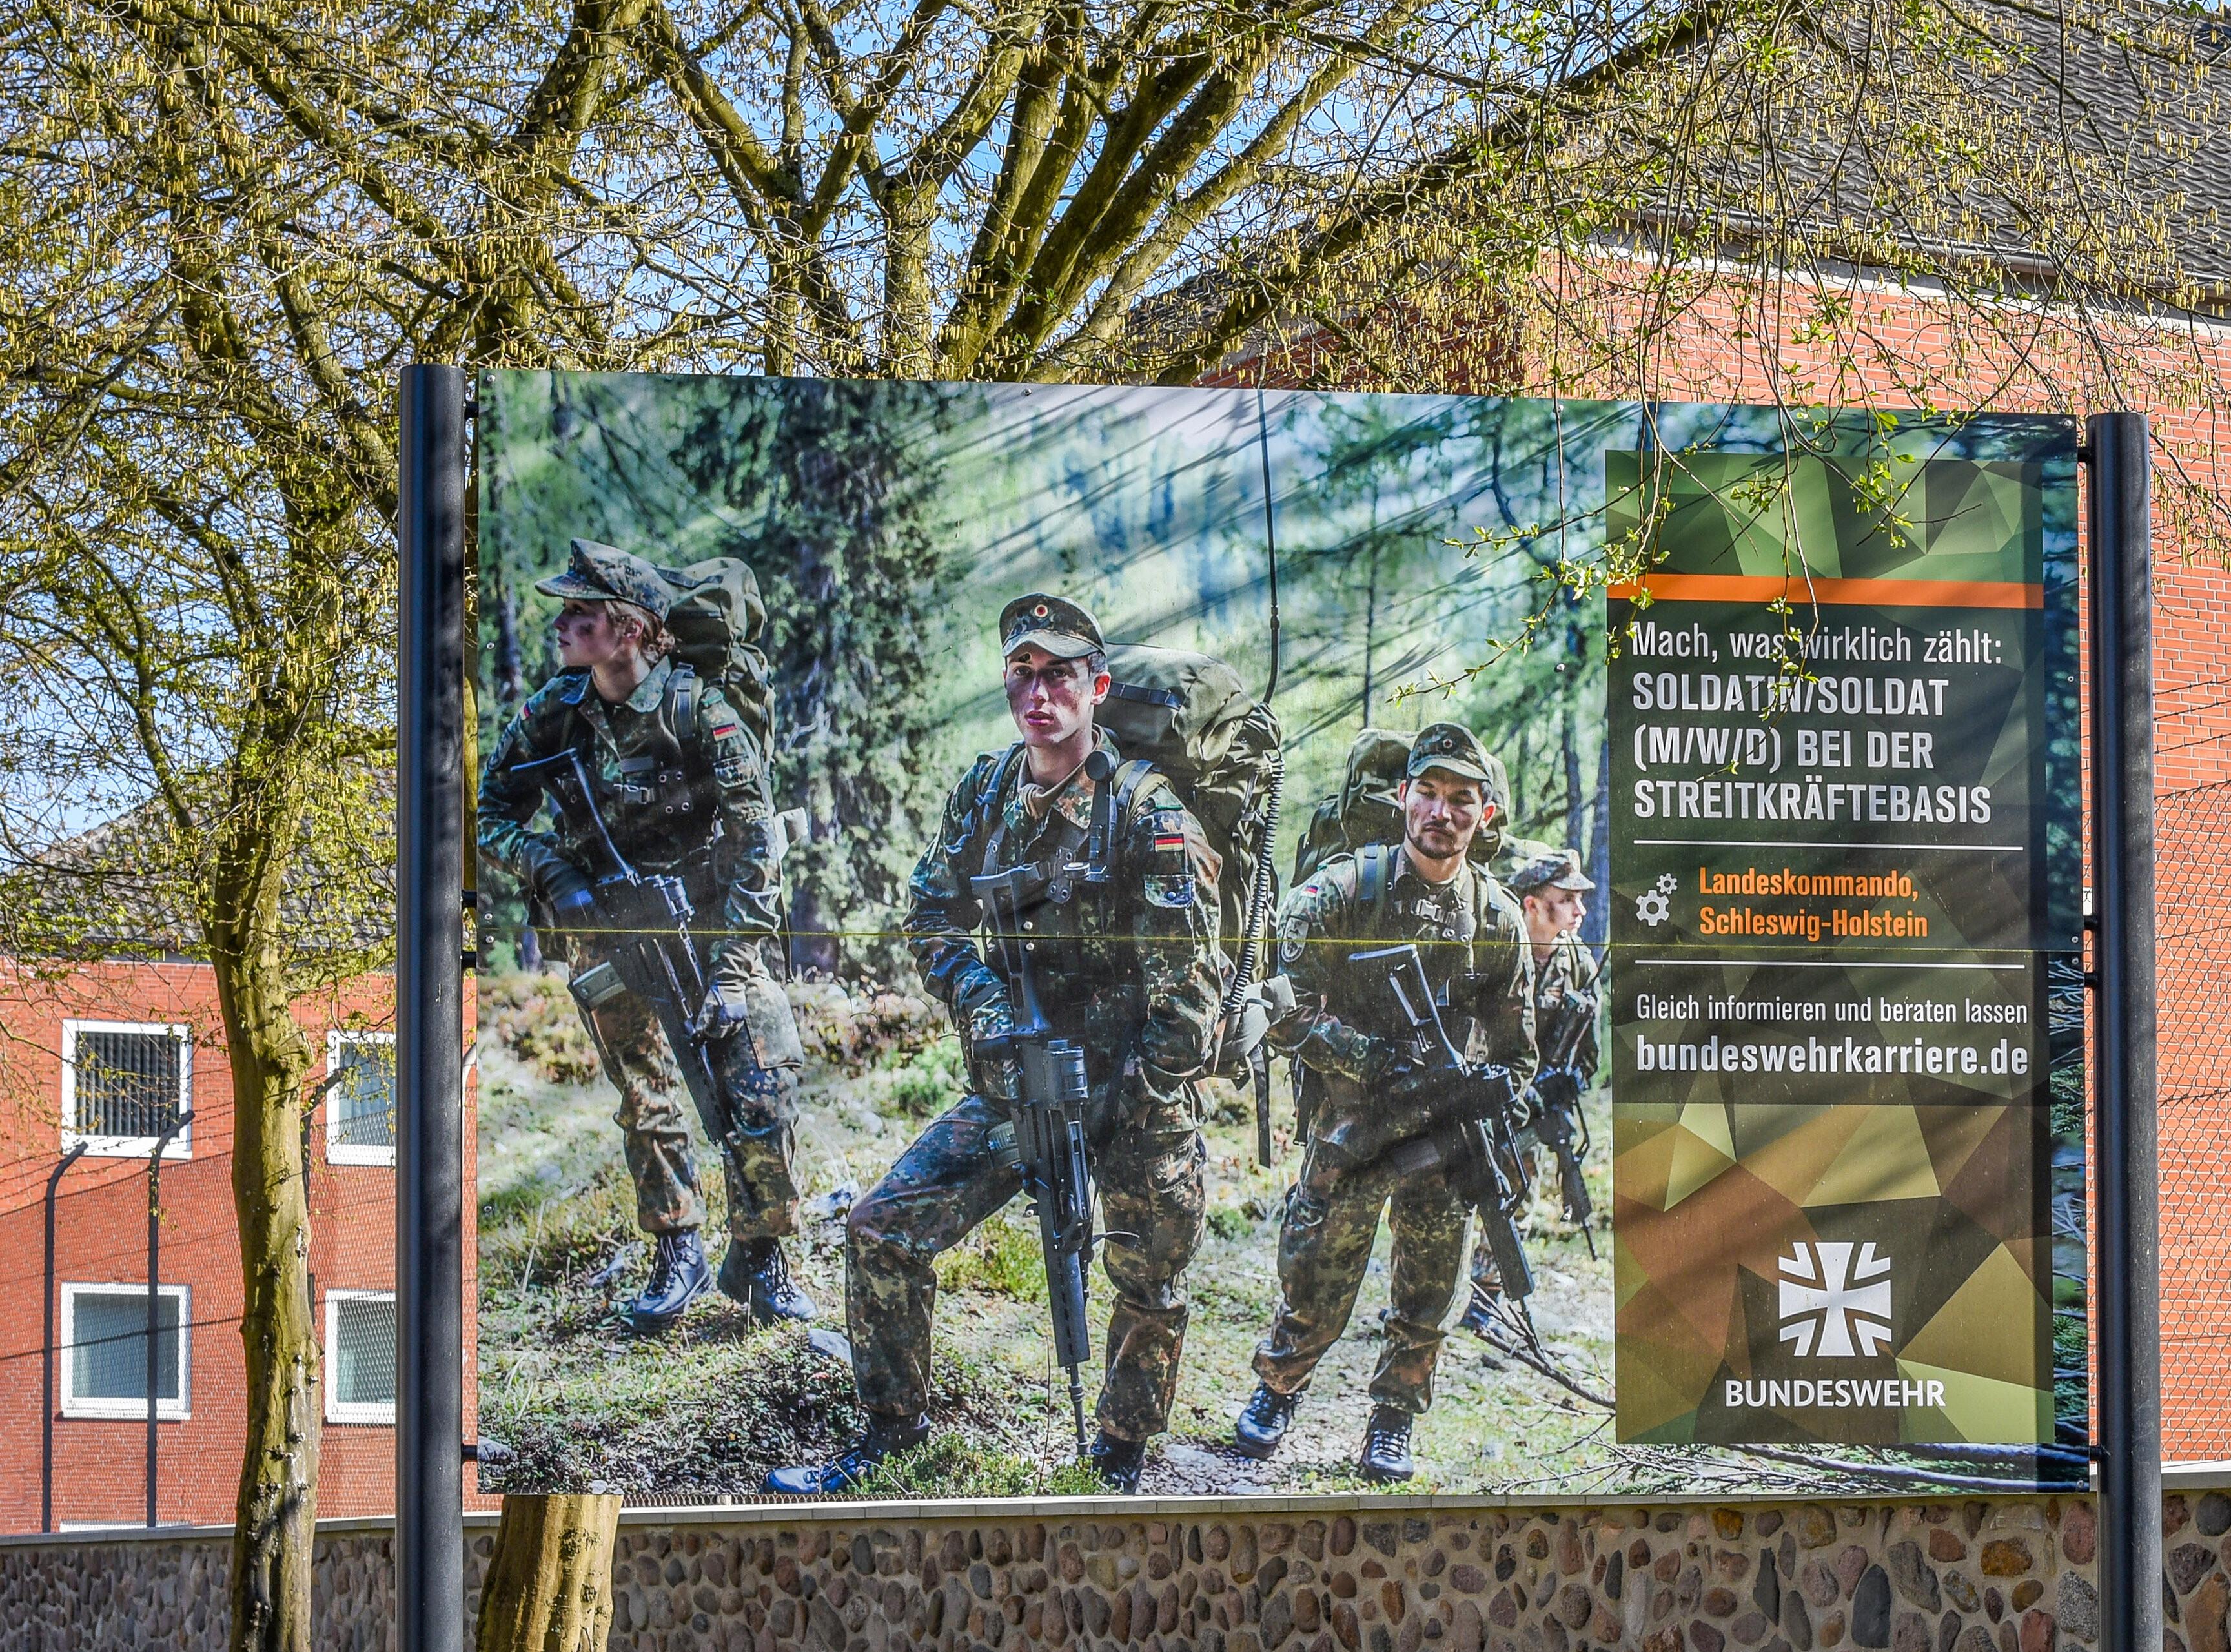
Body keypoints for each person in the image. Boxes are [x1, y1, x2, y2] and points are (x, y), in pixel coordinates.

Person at [769, 594, 1221, 1496]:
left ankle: (1122, 1457)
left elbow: (1192, 1000)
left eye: (1059, 674)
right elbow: (932, 916)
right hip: (1020, 1078)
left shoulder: (1148, 817)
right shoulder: (982, 794)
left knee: (1149, 1279)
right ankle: (892, 1433)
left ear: (1095, 688)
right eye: (1023, 673)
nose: (1039, 690)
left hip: (1137, 1094)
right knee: (882, 1229)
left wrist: (1126, 1097)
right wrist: (983, 1007)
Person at [476, 540, 810, 1334]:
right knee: (645, 1094)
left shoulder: (702, 711)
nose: (561, 624)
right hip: (605, 930)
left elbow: (758, 840)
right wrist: (546, 867)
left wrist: (733, 969)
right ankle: (677, 1250)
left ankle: (763, 1258)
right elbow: (489, 811)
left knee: (757, 1091)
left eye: (579, 614)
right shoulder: (554, 710)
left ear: (628, 629)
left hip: (712, 924)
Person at [1239, 722, 1533, 1483]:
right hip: (1354, 1130)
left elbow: (1518, 1054)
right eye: (1428, 794)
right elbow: (1282, 1007)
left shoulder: (1499, 919)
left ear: (1485, 814)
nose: (1442, 812)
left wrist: (1499, 1100)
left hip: (1443, 1142)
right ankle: (1278, 1388)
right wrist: (1375, 1061)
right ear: (1402, 798)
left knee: (1429, 1291)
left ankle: (1393, 1418)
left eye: (1461, 800)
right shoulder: (1341, 893)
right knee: (1315, 1276)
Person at [1463, 844, 1598, 1343]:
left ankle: (1487, 1298)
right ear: (1532, 906)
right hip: (1481, 1098)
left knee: (1515, 1195)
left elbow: (1588, 1057)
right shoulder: (1493, 953)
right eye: (1567, 899)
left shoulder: (1579, 964)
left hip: (1531, 1107)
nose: (1580, 911)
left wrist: (1562, 1087)